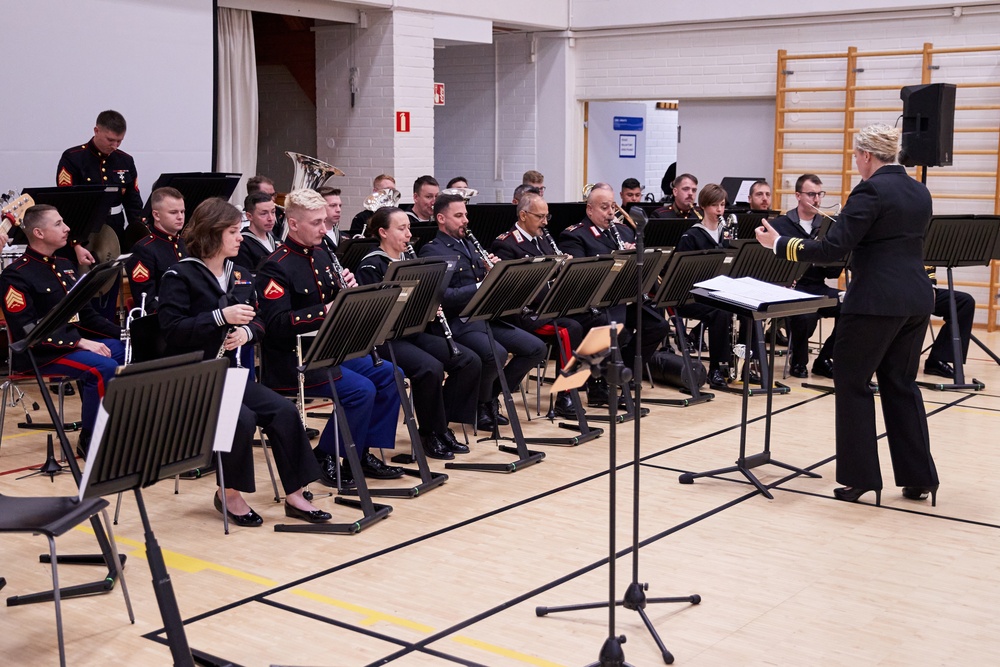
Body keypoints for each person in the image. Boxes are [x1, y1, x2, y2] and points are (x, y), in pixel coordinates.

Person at [756, 123, 939, 506]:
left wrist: (779, 244)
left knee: (853, 383)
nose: (856, 162)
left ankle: (861, 478)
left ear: (867, 156)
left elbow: (833, 249)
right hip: (916, 300)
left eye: (857, 156)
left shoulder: (870, 190)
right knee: (901, 384)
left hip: (874, 302)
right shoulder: (918, 191)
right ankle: (919, 477)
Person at [158, 198, 331, 526]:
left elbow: (261, 319)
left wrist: (248, 334)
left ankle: (295, 494)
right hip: (193, 378)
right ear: (212, 234)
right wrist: (218, 317)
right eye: (234, 232)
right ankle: (229, 493)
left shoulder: (239, 272)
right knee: (241, 419)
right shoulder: (179, 276)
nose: (241, 237)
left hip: (232, 375)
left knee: (283, 410)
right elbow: (172, 331)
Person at [256, 189, 404, 484]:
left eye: (325, 221)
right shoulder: (275, 265)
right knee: (361, 390)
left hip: (332, 349)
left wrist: (349, 290)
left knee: (391, 375)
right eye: (316, 223)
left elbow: (339, 302)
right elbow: (275, 326)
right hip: (297, 358)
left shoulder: (323, 253)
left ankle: (359, 454)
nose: (324, 229)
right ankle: (326, 455)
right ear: (294, 223)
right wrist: (325, 309)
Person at [355, 207, 481, 458]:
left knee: (468, 361)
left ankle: (441, 426)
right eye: (401, 229)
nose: (408, 234)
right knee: (429, 368)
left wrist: (430, 307)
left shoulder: (409, 262)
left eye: (408, 228)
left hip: (410, 332)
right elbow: (374, 313)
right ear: (383, 232)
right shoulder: (372, 265)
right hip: (384, 339)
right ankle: (428, 434)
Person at [0, 204, 124, 455]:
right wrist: (79, 342)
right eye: (58, 224)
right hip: (39, 353)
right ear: (38, 233)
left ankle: (116, 427)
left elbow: (86, 315)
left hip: (68, 346)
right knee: (103, 367)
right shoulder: (16, 275)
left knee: (124, 351)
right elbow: (27, 330)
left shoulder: (65, 265)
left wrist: (125, 333)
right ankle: (90, 441)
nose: (67, 228)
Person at [418, 193, 547, 430]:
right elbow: (443, 298)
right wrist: (481, 285)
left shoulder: (469, 243)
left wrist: (498, 275)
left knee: (535, 349)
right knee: (495, 353)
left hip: (484, 317)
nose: (465, 220)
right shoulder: (432, 251)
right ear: (441, 219)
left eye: (465, 214)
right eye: (458, 216)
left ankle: (488, 398)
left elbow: (488, 284)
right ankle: (482, 404)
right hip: (459, 321)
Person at [559, 183, 670, 405]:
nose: (610, 213)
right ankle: (597, 382)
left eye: (613, 207)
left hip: (624, 298)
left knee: (658, 325)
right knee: (612, 323)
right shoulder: (575, 235)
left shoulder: (624, 230)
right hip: (593, 303)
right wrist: (616, 258)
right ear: (589, 210)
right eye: (604, 207)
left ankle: (622, 373)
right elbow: (580, 276)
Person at [491, 192, 586, 418]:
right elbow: (510, 288)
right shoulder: (506, 244)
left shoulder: (542, 238)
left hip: (548, 308)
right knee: (568, 330)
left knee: (593, 320)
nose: (545, 222)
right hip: (523, 313)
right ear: (523, 215)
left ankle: (593, 382)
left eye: (546, 216)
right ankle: (566, 394)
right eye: (540, 216)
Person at [768, 174, 840, 379]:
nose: (816, 199)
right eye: (811, 194)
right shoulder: (781, 225)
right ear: (798, 195)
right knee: (805, 315)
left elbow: (832, 271)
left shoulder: (828, 226)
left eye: (819, 194)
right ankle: (799, 362)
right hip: (791, 289)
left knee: (853, 304)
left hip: (817, 286)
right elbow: (772, 263)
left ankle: (825, 359)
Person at [673, 183, 735, 388]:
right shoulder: (691, 236)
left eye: (723, 205)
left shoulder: (726, 234)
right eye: (715, 206)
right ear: (703, 206)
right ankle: (716, 368)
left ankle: (742, 364)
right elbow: (682, 277)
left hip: (716, 294)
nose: (719, 210)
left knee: (747, 310)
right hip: (690, 297)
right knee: (721, 312)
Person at [57, 110, 144, 248]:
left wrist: (142, 236)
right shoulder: (73, 158)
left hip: (115, 225)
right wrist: (75, 242)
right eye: (110, 140)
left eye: (119, 141)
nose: (115, 146)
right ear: (96, 131)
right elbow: (68, 204)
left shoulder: (125, 160)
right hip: (85, 227)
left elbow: (133, 203)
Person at [125, 187, 188, 310]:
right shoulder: (144, 250)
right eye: (173, 212)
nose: (180, 217)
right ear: (156, 215)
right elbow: (146, 303)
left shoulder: (186, 245)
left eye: (182, 211)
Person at [924, 270, 976, 378]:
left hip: (923, 288)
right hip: (899, 287)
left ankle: (937, 360)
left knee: (964, 302)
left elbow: (928, 269)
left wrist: (931, 286)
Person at [236, 192, 278, 273]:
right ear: (249, 216)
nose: (271, 218)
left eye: (273, 212)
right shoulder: (242, 244)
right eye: (264, 213)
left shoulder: (276, 241)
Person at [316, 185, 342, 254]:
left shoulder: (343, 237)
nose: (338, 210)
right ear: (319, 207)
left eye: (340, 205)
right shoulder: (312, 238)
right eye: (333, 205)